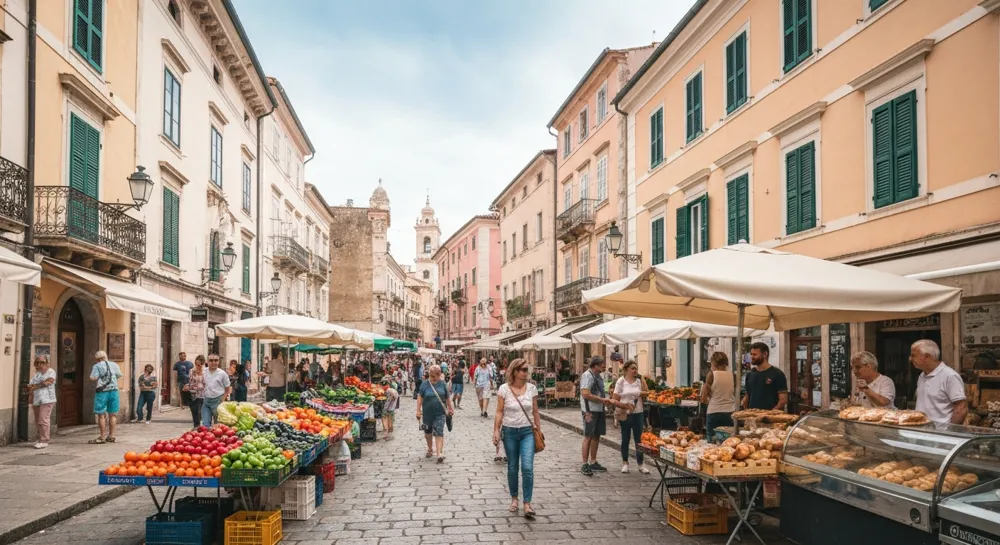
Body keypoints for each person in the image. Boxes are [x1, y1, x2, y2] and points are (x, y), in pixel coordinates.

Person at [493, 358, 541, 519]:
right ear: (514, 371)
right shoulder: (504, 389)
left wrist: (538, 431)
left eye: (527, 370)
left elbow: (535, 411)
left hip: (528, 432)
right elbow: (499, 411)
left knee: (527, 467)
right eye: (523, 370)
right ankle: (514, 498)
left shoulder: (532, 388)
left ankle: (527, 503)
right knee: (513, 467)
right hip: (510, 431)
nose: (526, 373)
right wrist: (496, 431)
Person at [912, 339, 968, 425]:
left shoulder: (949, 376)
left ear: (927, 357)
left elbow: (961, 408)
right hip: (921, 430)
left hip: (940, 433)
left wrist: (949, 431)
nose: (910, 359)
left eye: (913, 356)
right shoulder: (922, 376)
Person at [613, 360, 650, 474]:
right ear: (626, 370)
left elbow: (647, 392)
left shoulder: (639, 381)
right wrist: (623, 406)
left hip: (638, 412)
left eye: (636, 368)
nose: (635, 370)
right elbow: (615, 398)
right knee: (625, 438)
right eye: (633, 368)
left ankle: (641, 464)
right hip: (626, 413)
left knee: (639, 440)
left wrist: (642, 381)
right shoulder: (621, 381)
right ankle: (625, 463)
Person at [580, 356, 612, 476]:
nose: (604, 366)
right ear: (596, 365)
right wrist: (601, 399)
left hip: (599, 409)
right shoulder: (587, 375)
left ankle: (593, 461)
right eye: (602, 364)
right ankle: (584, 464)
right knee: (588, 436)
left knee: (596, 435)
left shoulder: (599, 376)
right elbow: (585, 394)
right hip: (589, 410)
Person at [416, 364, 453, 462]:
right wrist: (418, 410)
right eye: (431, 376)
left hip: (440, 413)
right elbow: (420, 396)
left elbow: (448, 397)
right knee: (428, 432)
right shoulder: (425, 384)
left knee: (439, 431)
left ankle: (439, 453)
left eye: (434, 376)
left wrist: (450, 408)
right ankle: (430, 448)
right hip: (427, 413)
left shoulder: (442, 383)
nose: (432, 378)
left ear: (439, 374)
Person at [88, 351, 123, 444]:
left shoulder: (97, 366)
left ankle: (102, 436)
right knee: (113, 414)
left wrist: (99, 377)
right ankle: (112, 435)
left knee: (101, 414)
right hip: (114, 390)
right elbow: (119, 375)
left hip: (102, 391)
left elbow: (93, 377)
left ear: (97, 359)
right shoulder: (114, 364)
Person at [742, 342, 788, 411]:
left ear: (765, 354)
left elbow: (783, 400)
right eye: (751, 354)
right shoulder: (750, 374)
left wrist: (771, 413)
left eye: (755, 354)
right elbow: (747, 395)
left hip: (770, 418)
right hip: (752, 416)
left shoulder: (777, 374)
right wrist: (745, 407)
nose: (752, 357)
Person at [701, 352, 736, 440]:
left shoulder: (711, 374)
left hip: (714, 412)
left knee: (711, 440)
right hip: (730, 412)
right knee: (728, 441)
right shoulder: (733, 376)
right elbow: (735, 394)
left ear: (713, 362)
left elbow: (703, 398)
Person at [27, 355, 56, 449]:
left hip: (47, 399)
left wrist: (36, 386)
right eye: (38, 363)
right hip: (37, 399)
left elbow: (49, 382)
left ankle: (44, 440)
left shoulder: (51, 371)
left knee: (43, 419)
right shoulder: (37, 374)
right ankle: (40, 438)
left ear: (47, 363)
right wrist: (34, 387)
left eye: (42, 362)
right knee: (38, 421)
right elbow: (31, 387)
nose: (40, 365)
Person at [202, 355, 231, 426]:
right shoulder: (204, 371)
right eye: (211, 360)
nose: (213, 362)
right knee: (205, 424)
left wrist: (223, 400)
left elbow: (227, 388)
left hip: (218, 401)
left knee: (217, 425)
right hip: (206, 401)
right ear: (207, 362)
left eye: (216, 360)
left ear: (219, 362)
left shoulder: (222, 374)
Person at [183, 356, 206, 429]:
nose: (198, 366)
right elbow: (189, 381)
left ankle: (202, 426)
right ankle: (196, 426)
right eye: (196, 364)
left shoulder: (206, 371)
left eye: (199, 365)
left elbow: (207, 383)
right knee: (194, 411)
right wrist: (187, 386)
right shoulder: (191, 371)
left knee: (201, 412)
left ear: (203, 364)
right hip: (193, 394)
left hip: (203, 394)